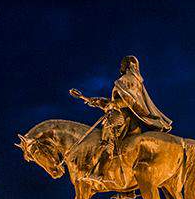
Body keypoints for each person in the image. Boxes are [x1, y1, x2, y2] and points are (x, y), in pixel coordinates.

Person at [70, 56, 172, 186]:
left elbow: (130, 101)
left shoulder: (127, 79)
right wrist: (90, 99)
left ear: (128, 66)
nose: (121, 67)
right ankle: (125, 188)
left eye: (123, 64)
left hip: (123, 117)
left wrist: (113, 104)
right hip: (124, 115)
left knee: (106, 141)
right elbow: (117, 101)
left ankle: (99, 173)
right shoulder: (133, 80)